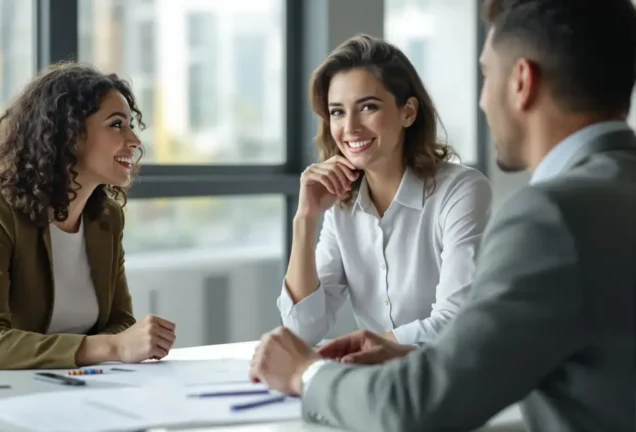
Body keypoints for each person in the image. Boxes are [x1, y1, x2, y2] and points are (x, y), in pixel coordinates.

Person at [250, 0, 636, 431]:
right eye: (337, 111)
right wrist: (305, 222)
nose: (482, 100)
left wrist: (306, 374)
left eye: (486, 75)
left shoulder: (548, 217)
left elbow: (417, 405)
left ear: (522, 82)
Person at [0, 62, 177, 375]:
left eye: (131, 125)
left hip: (61, 394)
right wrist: (112, 347)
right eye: (117, 125)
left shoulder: (106, 219)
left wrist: (122, 342)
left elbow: (120, 322)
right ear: (71, 134)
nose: (134, 140)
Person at [278, 34, 492, 347]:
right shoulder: (341, 205)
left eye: (367, 107)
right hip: (379, 382)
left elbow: (456, 319)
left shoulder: (460, 191)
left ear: (408, 112)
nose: (350, 128)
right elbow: (301, 331)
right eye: (337, 111)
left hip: (448, 382)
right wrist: (305, 220)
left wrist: (355, 349)